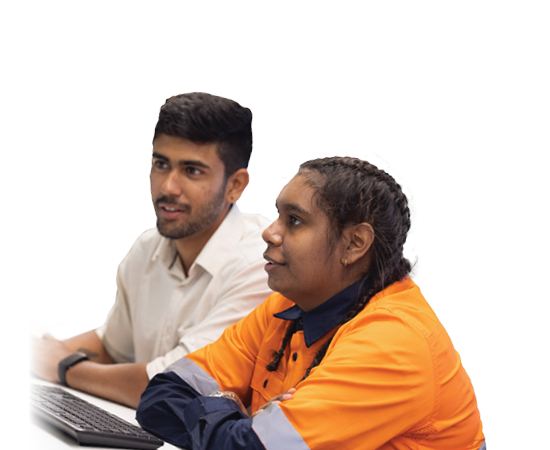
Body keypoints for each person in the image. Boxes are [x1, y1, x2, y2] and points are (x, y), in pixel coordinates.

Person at [135, 156, 487, 450]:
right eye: (277, 216)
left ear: (355, 244)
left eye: (294, 221)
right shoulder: (284, 308)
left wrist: (229, 417)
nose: (269, 232)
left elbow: (245, 447)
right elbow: (159, 398)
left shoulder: (394, 342)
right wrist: (234, 420)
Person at [28, 92, 273, 409]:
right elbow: (111, 346)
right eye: (161, 164)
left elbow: (176, 385)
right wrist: (40, 355)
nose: (168, 186)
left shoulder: (263, 265)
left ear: (235, 186)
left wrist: (64, 367)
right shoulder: (148, 248)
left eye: (192, 170)